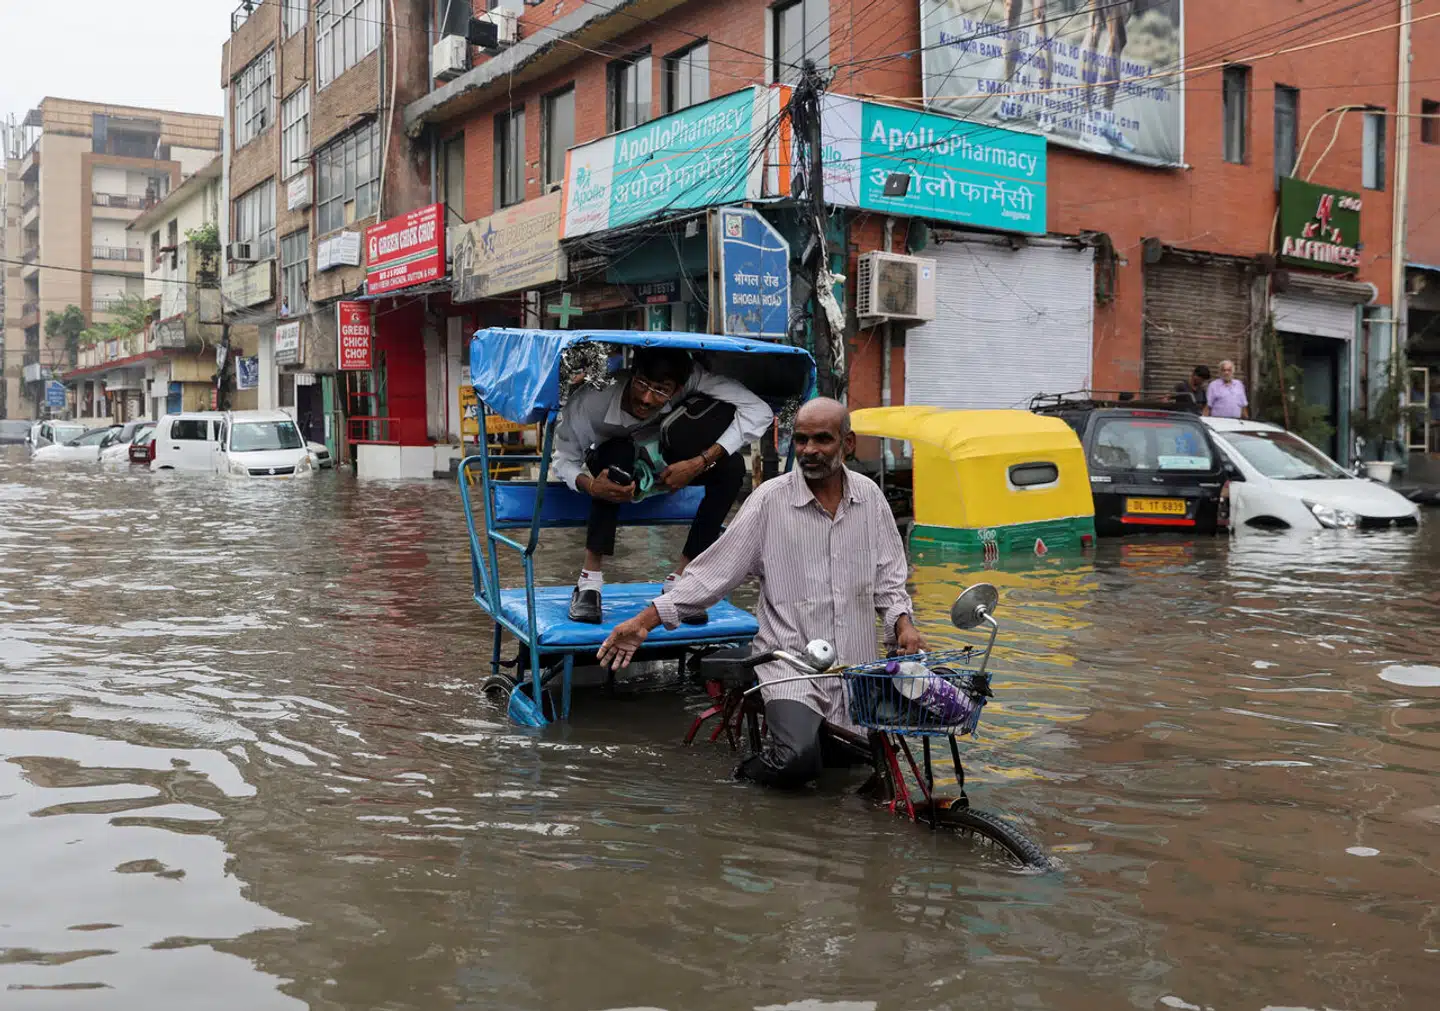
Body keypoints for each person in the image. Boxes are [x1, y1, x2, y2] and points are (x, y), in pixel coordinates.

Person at [597, 398, 928, 789]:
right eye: (801, 440)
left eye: (822, 439)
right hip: (789, 664)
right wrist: (642, 623)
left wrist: (904, 627)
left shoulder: (870, 498)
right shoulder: (770, 500)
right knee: (796, 760)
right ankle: (742, 783)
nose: (809, 450)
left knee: (870, 774)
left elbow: (889, 581)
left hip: (853, 667)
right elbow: (711, 575)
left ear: (848, 444)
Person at [551, 346, 773, 624]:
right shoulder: (591, 401)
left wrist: (698, 463)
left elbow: (759, 411)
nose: (646, 398)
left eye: (660, 390)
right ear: (633, 374)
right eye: (641, 384)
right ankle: (589, 582)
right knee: (616, 462)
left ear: (678, 387)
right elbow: (563, 460)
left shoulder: (693, 378)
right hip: (616, 465)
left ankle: (682, 580)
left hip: (666, 459)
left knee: (732, 467)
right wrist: (591, 485)